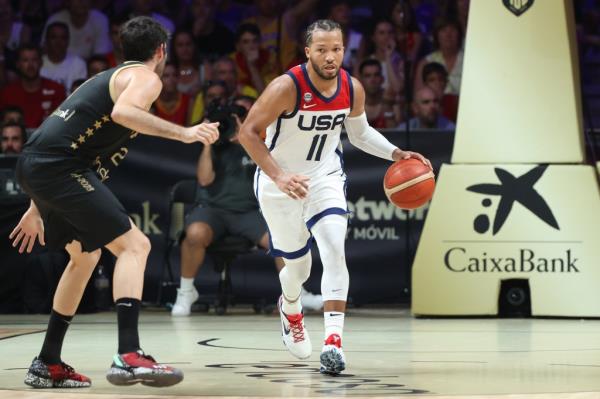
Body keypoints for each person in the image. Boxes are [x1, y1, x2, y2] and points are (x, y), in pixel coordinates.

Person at [10, 16, 219, 389]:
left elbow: (59, 135)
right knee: (136, 245)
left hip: (39, 165)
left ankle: (47, 362)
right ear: (161, 52)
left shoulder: (107, 78)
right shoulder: (144, 77)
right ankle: (129, 354)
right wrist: (186, 132)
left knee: (86, 256)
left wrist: (37, 203)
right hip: (57, 168)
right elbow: (125, 114)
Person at [239, 19, 431, 375]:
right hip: (278, 183)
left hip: (324, 177)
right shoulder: (286, 87)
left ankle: (333, 343)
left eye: (337, 49)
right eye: (323, 49)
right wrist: (279, 175)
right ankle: (291, 308)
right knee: (298, 268)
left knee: (333, 248)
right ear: (308, 51)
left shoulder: (351, 87)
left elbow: (360, 134)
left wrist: (395, 154)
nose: (331, 57)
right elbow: (248, 132)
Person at [172, 95, 322, 316]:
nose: (237, 121)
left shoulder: (264, 140)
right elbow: (204, 180)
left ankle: (298, 294)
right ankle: (185, 293)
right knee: (194, 234)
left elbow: (274, 168)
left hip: (250, 212)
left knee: (282, 238)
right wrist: (207, 144)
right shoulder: (216, 143)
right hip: (214, 210)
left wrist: (245, 136)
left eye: (243, 115)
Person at [0, 44, 66, 129]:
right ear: (17, 64)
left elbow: (63, 124)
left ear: (41, 62)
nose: (30, 65)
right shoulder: (7, 94)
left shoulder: (57, 90)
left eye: (34, 60)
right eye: (25, 60)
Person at [40, 22, 88, 93]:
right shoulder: (38, 63)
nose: (58, 42)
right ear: (46, 40)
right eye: (53, 37)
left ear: (68, 41)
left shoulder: (79, 64)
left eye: (63, 38)